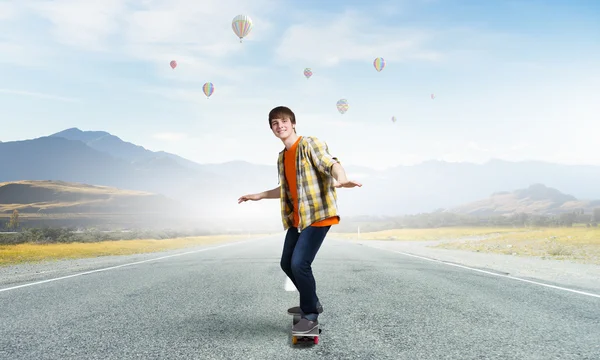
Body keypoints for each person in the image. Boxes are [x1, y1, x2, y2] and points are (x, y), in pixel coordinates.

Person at [237, 106, 362, 334]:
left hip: (318, 214)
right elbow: (285, 189)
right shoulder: (282, 156)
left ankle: (310, 316)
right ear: (271, 129)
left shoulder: (309, 144)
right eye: (274, 123)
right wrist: (259, 196)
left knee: (299, 264)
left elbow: (330, 163)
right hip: (297, 219)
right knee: (287, 263)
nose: (280, 126)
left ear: (293, 123)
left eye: (283, 121)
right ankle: (311, 301)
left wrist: (342, 179)